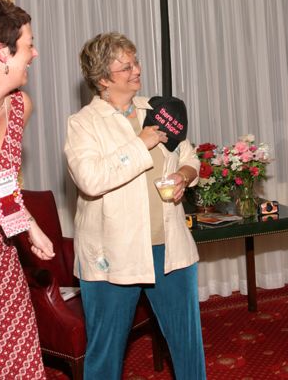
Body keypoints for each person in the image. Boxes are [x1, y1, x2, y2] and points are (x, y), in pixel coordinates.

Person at [64, 32, 206, 379]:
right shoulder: (83, 124)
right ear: (102, 79)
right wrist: (140, 144)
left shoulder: (157, 110)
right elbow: (91, 179)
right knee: (105, 351)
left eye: (135, 61)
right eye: (125, 66)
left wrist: (185, 176)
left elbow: (190, 157)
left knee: (188, 346)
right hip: (113, 254)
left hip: (170, 249)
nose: (136, 70)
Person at [0, 0, 55, 379]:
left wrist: (29, 226)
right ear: (2, 51)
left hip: (1, 264)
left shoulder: (20, 107)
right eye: (29, 44)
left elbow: (3, 183)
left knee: (20, 367)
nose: (35, 52)